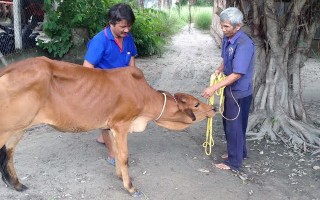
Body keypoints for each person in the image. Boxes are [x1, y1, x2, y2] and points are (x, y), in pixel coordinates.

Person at [83, 3, 137, 166]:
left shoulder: (128, 38)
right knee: (107, 123)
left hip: (122, 87)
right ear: (111, 23)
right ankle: (113, 155)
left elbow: (132, 60)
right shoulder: (99, 41)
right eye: (123, 27)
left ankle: (103, 137)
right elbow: (87, 69)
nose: (127, 30)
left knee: (123, 118)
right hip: (104, 89)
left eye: (129, 27)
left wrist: (134, 82)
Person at [201, 7, 254, 171]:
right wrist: (219, 69)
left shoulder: (244, 43)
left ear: (238, 26)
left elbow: (238, 73)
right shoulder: (228, 37)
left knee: (234, 126)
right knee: (232, 124)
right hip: (230, 89)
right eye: (222, 26)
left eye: (226, 27)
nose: (223, 30)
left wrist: (213, 87)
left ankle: (234, 162)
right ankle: (239, 152)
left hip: (239, 91)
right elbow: (226, 58)